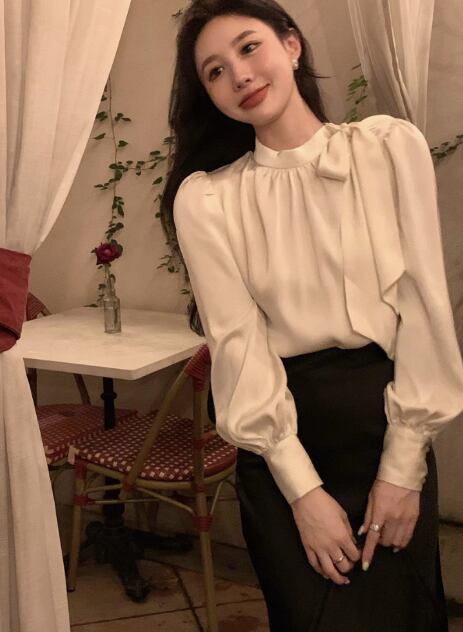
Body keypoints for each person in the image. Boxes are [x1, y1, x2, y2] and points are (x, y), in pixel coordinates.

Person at [160, 1, 463, 629]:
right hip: (283, 445)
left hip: (388, 423)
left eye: (248, 47)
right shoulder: (208, 200)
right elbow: (239, 345)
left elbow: (423, 308)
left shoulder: (388, 149)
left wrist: (403, 466)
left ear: (292, 46)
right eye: (215, 71)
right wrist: (302, 493)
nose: (239, 75)